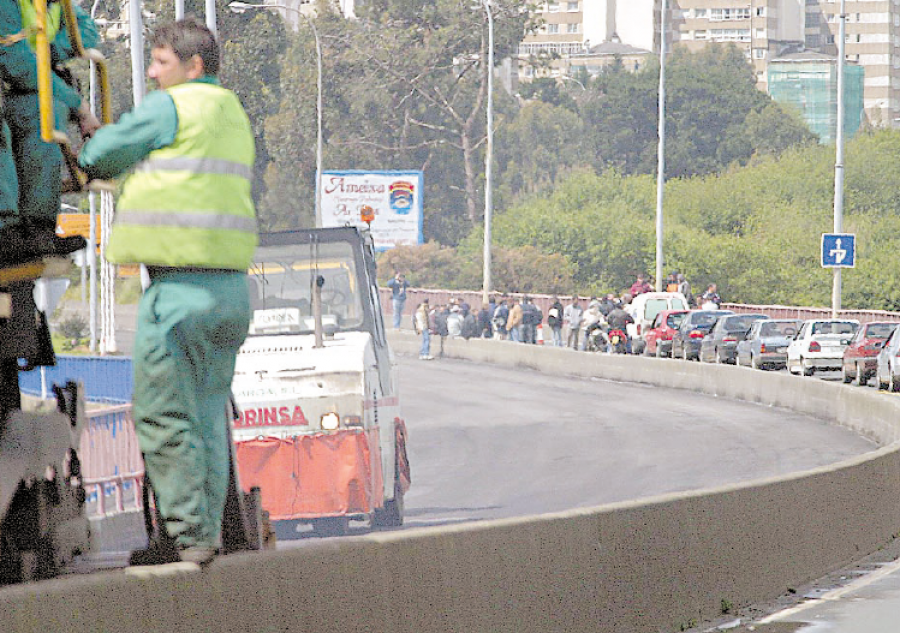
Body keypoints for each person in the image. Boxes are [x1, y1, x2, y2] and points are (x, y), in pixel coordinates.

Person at [78, 19, 257, 567]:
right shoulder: (231, 112)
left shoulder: (175, 105)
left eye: (159, 63)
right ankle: (206, 534)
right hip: (228, 290)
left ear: (191, 67)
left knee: (161, 414)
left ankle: (186, 536)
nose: (153, 75)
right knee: (205, 416)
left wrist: (91, 131)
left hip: (178, 289)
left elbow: (99, 156)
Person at [0, 0, 100, 264]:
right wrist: (79, 105)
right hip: (12, 80)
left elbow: (87, 31)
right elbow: (18, 63)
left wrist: (48, 50)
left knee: (45, 110)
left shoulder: (54, 4)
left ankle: (38, 228)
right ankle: (5, 228)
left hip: (18, 86)